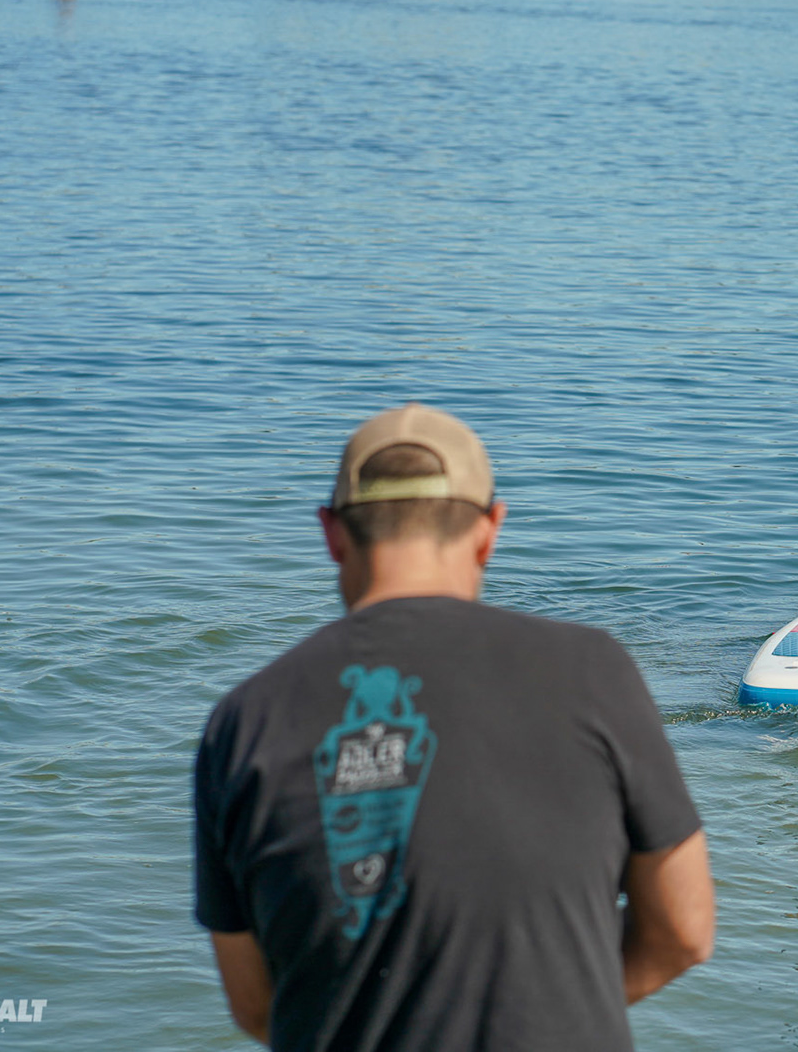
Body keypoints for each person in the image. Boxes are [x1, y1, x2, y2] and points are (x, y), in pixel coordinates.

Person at [194, 403, 713, 1050]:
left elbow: (253, 1005)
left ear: (331, 533)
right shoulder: (593, 671)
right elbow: (685, 931)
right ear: (489, 530)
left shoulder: (243, 721)